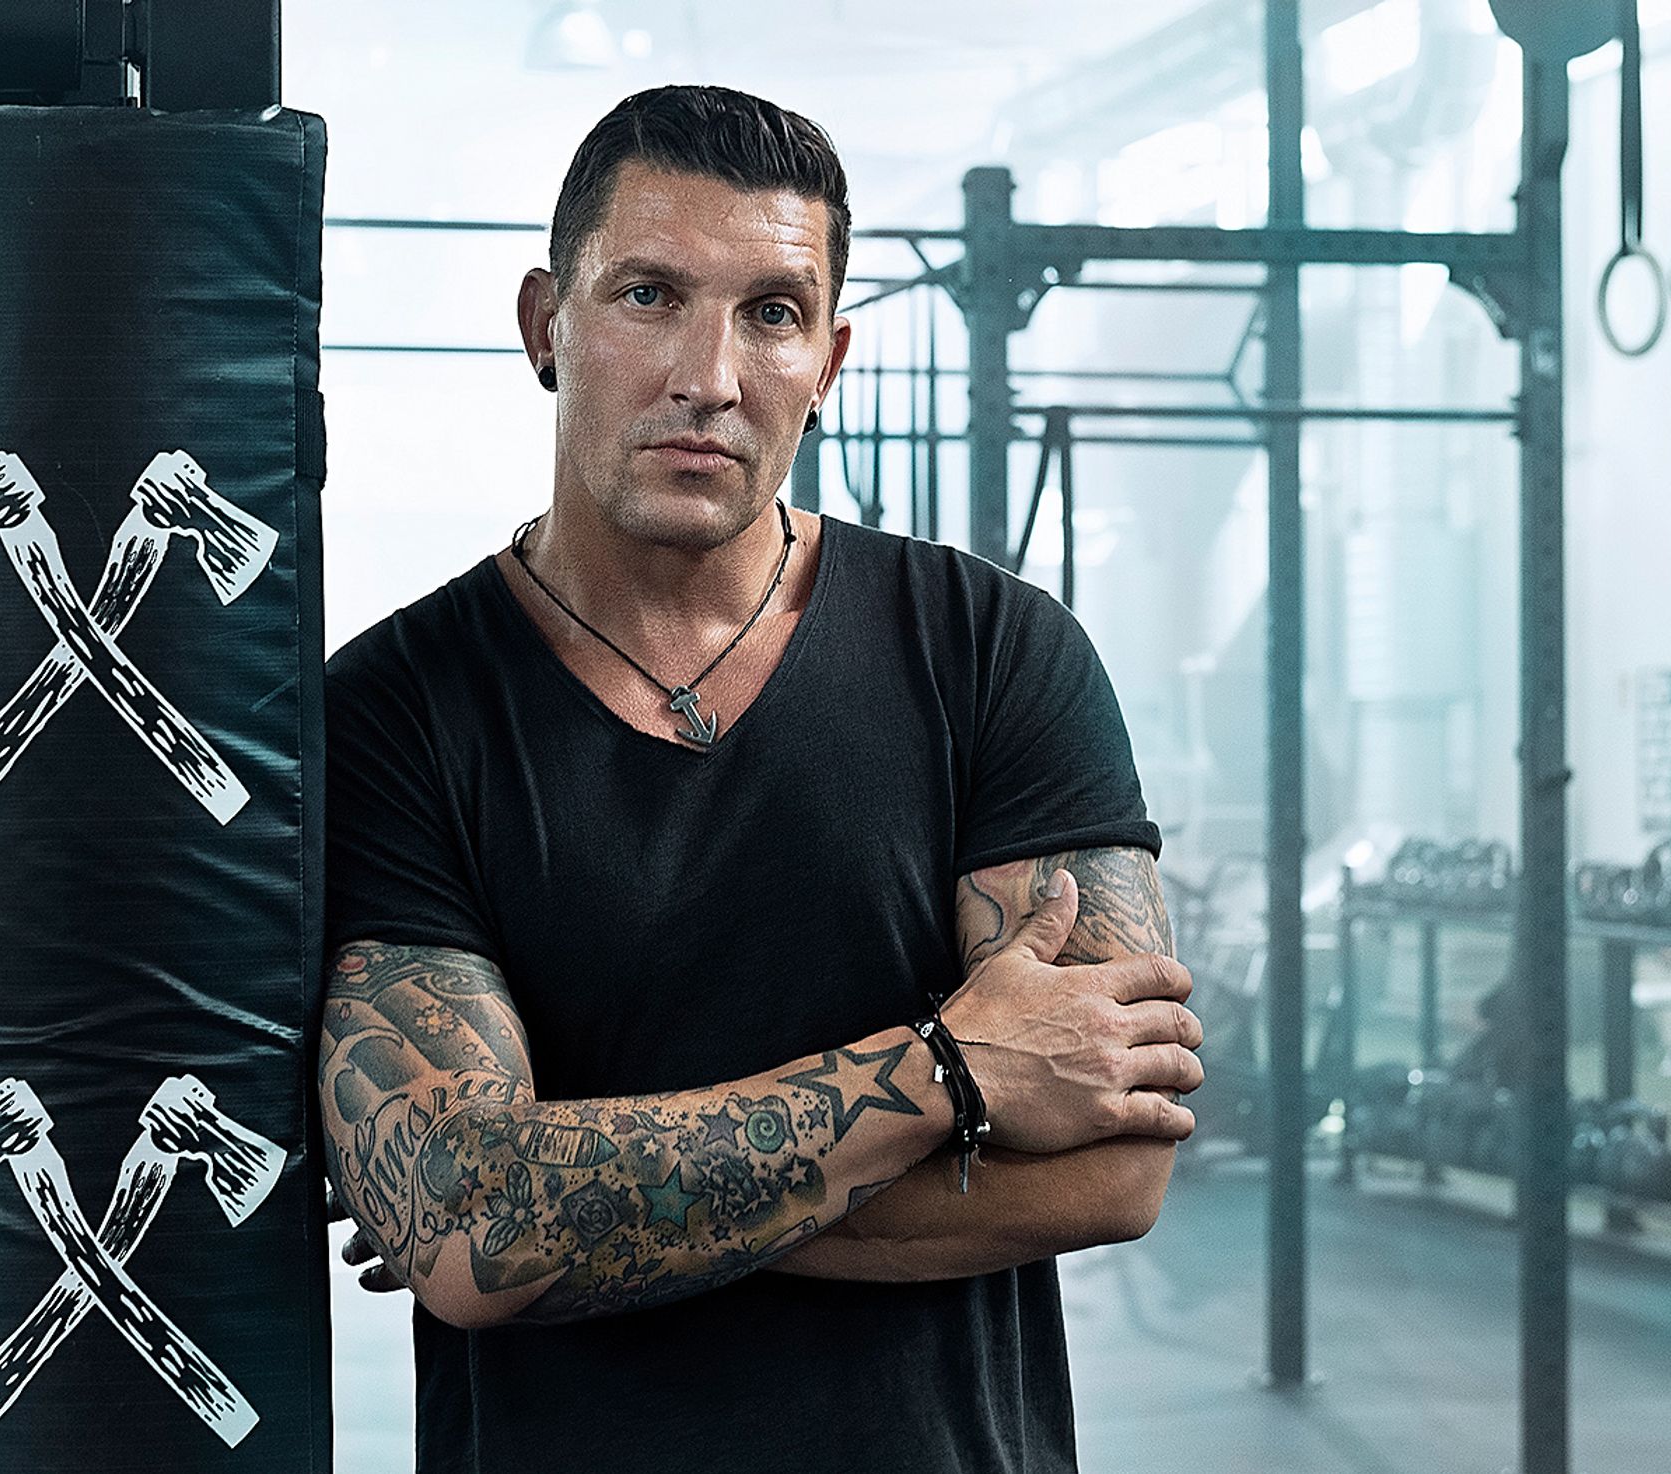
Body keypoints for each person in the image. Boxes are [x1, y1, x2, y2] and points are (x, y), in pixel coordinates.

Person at [318, 84, 1203, 1474]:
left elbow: (1114, 1167)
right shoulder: (390, 714)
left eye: (772, 313)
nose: (710, 374)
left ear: (830, 356)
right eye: (651, 295)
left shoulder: (995, 656)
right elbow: (470, 1220)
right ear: (547, 323)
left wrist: (581, 1201)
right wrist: (955, 1071)